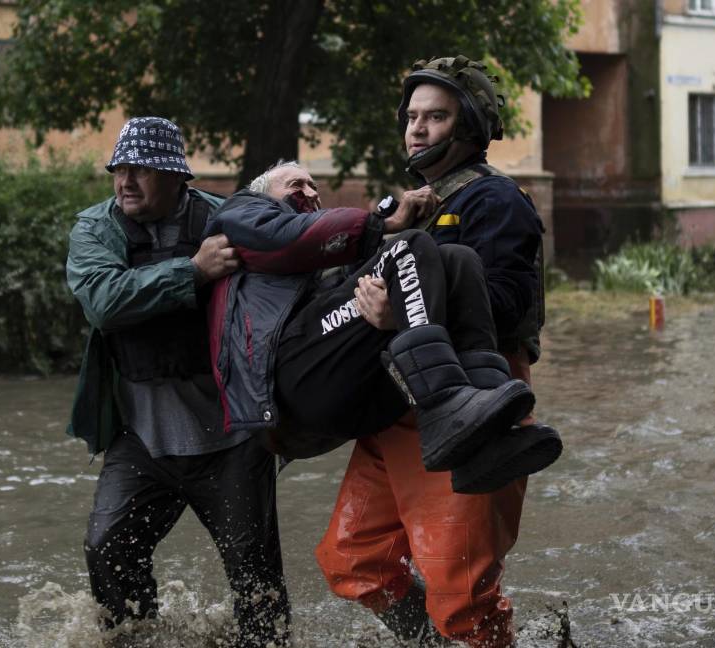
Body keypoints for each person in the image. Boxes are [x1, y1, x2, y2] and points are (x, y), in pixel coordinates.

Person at [315, 56, 563, 647]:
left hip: (473, 403)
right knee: (353, 560)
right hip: (397, 404)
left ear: (470, 126)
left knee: (463, 596)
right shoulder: (413, 206)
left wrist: (402, 313)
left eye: (436, 117)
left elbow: (503, 305)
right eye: (412, 117)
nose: (417, 129)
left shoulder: (496, 201)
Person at [64, 116, 289, 646]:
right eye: (118, 169)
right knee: (107, 548)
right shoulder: (96, 229)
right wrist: (193, 272)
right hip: (141, 441)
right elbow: (102, 301)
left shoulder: (229, 220)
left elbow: (294, 272)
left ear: (176, 177)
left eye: (141, 170)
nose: (125, 181)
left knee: (258, 588)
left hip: (232, 442)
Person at [204, 161, 560, 490]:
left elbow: (337, 284)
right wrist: (383, 225)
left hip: (338, 387)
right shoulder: (242, 212)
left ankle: (489, 430)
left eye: (315, 186)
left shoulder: (320, 262)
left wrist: (391, 311)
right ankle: (442, 409)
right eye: (296, 184)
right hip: (286, 386)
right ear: (260, 194)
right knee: (410, 245)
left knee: (458, 258)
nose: (311, 192)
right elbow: (283, 236)